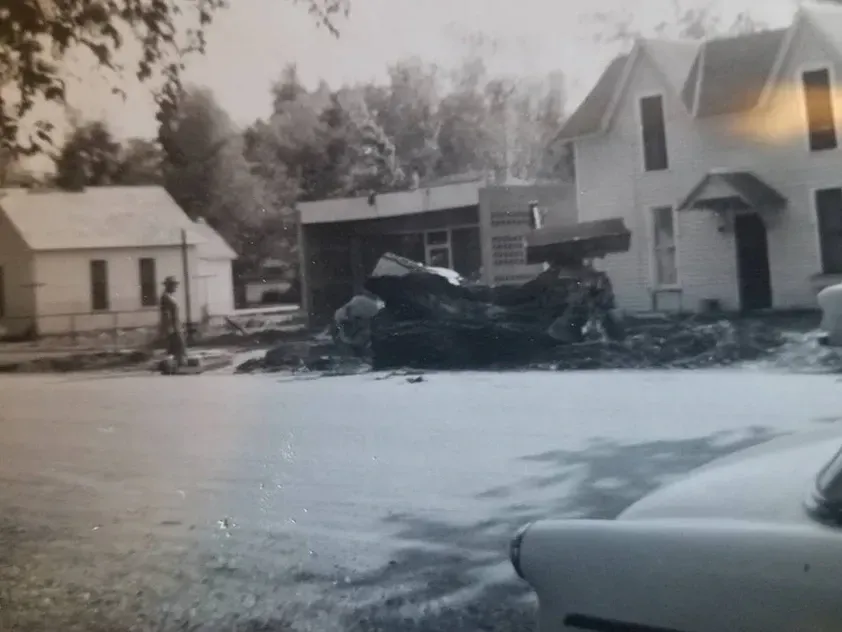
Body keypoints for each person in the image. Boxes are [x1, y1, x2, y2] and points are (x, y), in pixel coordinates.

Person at [159, 276, 187, 368]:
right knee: (178, 347)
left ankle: (173, 365)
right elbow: (166, 314)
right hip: (173, 328)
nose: (175, 287)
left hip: (177, 326)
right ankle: (175, 365)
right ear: (168, 286)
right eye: (174, 285)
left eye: (176, 285)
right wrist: (169, 328)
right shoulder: (165, 297)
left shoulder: (170, 297)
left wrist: (180, 325)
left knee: (175, 348)